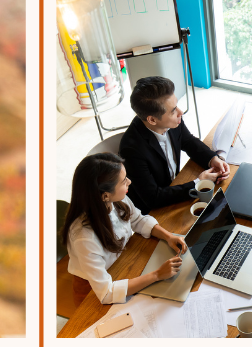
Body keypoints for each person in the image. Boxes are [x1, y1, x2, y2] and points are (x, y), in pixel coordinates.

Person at [62, 153, 189, 304]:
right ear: (105, 196)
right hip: (93, 287)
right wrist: (157, 275)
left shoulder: (115, 200)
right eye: (123, 181)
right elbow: (106, 293)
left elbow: (138, 220)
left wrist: (168, 236)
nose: (129, 181)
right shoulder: (84, 238)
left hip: (122, 263)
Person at [119, 76, 231, 213]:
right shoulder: (131, 150)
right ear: (152, 120)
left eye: (176, 105)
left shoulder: (171, 121)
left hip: (176, 186)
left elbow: (188, 141)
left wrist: (213, 159)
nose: (180, 112)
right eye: (173, 111)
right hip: (155, 210)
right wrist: (198, 183)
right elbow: (153, 198)